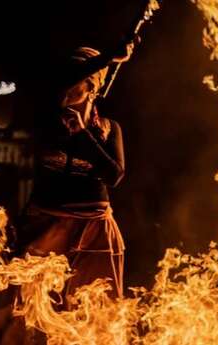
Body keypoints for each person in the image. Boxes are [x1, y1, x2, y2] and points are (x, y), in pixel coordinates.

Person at [19, 43, 134, 304]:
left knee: (94, 313)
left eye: (76, 79)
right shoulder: (47, 120)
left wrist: (83, 135)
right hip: (48, 225)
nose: (66, 86)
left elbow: (114, 175)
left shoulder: (108, 128)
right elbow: (56, 84)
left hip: (95, 229)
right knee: (34, 309)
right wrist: (109, 57)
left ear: (92, 87)